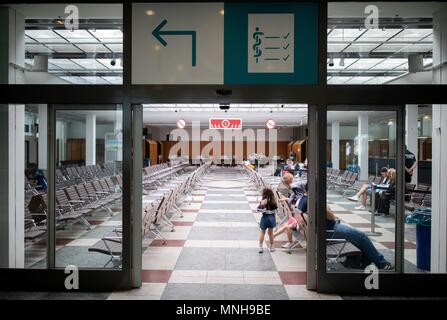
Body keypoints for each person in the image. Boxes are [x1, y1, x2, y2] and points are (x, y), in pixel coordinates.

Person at [299, 189, 392, 270]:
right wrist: (326, 206)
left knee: (355, 235)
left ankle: (355, 261)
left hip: (322, 231)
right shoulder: (315, 201)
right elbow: (332, 217)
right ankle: (381, 263)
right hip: (329, 232)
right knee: (362, 237)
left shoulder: (304, 199)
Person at [257, 188, 278, 253]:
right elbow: (276, 211)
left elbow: (259, 210)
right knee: (271, 233)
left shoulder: (263, 201)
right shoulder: (274, 201)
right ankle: (271, 247)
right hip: (272, 218)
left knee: (262, 232)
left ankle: (260, 247)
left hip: (265, 218)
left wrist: (262, 204)